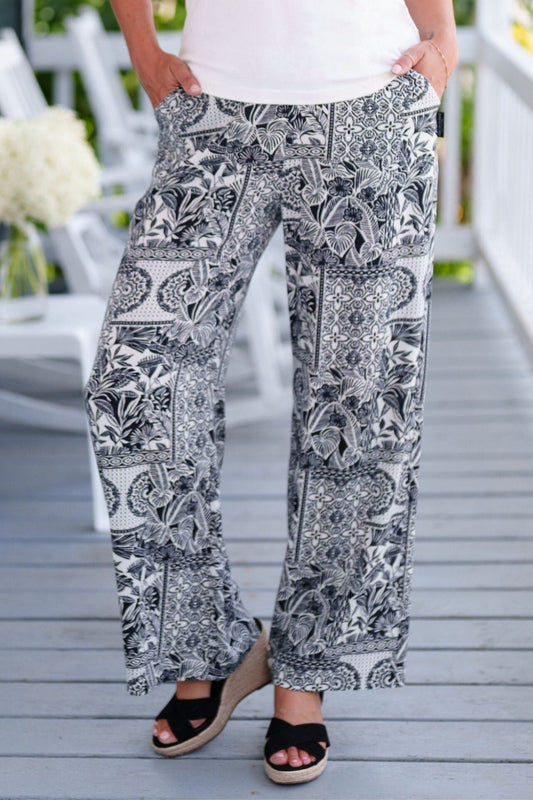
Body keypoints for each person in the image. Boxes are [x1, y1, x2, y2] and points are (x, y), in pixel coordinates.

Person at [84, 0, 458, 785]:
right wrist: (143, 47)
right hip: (213, 110)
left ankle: (306, 672)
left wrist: (443, 40)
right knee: (135, 379)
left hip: (370, 103)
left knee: (354, 407)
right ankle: (207, 646)